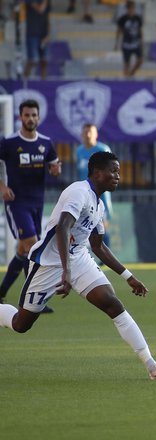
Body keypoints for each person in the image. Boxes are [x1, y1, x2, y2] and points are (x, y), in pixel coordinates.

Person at [0, 152, 156, 380]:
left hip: (79, 259)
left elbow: (98, 247)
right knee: (21, 324)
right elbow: (62, 228)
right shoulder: (79, 192)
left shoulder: (99, 205)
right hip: (49, 263)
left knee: (113, 305)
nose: (118, 176)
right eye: (113, 171)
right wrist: (65, 272)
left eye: (118, 172)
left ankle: (152, 366)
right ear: (97, 172)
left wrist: (128, 276)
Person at [0, 99, 60, 311]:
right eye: (27, 115)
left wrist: (55, 170)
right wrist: (2, 187)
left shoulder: (45, 143)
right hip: (16, 203)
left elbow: (54, 165)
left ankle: (1, 292)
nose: (31, 119)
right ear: (20, 117)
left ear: (38, 117)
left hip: (37, 203)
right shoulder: (8, 142)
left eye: (34, 115)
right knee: (33, 246)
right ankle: (32, 300)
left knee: (22, 251)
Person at [75, 123, 113, 248]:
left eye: (90, 132)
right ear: (81, 134)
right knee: (84, 225)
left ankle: (107, 255)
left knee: (102, 225)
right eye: (85, 132)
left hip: (100, 194)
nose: (88, 134)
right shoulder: (79, 151)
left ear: (96, 134)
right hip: (84, 194)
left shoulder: (103, 149)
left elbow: (110, 171)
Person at [115, 0, 143, 77]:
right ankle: (126, 78)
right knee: (126, 63)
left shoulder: (138, 18)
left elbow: (140, 31)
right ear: (127, 9)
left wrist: (141, 42)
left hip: (135, 43)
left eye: (133, 8)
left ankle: (131, 74)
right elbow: (119, 31)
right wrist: (116, 43)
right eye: (130, 9)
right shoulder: (123, 19)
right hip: (126, 45)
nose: (132, 10)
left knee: (140, 60)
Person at [25, 0, 50, 79]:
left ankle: (44, 85)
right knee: (32, 60)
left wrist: (47, 34)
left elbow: (46, 16)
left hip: (43, 33)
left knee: (44, 61)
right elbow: (40, 9)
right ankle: (24, 84)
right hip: (32, 33)